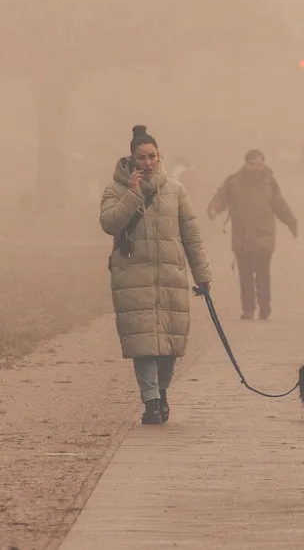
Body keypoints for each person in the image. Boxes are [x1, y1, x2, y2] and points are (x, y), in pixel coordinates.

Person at [100, 125, 212, 426]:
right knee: (145, 345)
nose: (147, 163)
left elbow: (192, 236)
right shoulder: (115, 190)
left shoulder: (176, 190)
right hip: (133, 277)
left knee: (170, 346)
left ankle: (162, 391)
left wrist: (202, 274)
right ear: (132, 160)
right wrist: (132, 196)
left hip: (170, 276)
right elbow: (109, 224)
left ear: (158, 157)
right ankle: (150, 401)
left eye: (152, 157)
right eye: (141, 158)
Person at [207, 149, 298, 320]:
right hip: (242, 237)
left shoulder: (269, 183)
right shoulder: (233, 182)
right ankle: (248, 309)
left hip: (264, 236)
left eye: (260, 164)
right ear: (246, 164)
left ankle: (265, 306)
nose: (256, 167)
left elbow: (280, 205)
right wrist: (213, 209)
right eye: (253, 164)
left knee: (263, 273)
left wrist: (291, 222)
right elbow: (221, 198)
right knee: (245, 275)